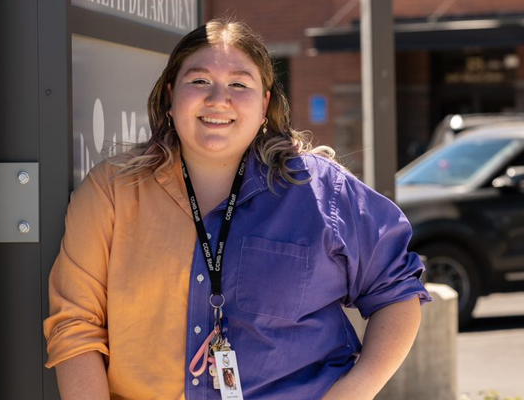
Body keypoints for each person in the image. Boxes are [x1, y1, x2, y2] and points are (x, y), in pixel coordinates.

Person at [44, 17, 431, 400]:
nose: (218, 99)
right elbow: (76, 328)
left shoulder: (319, 191)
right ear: (169, 96)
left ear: (264, 104)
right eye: (198, 81)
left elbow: (398, 293)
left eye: (239, 84)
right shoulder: (112, 190)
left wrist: (351, 395)